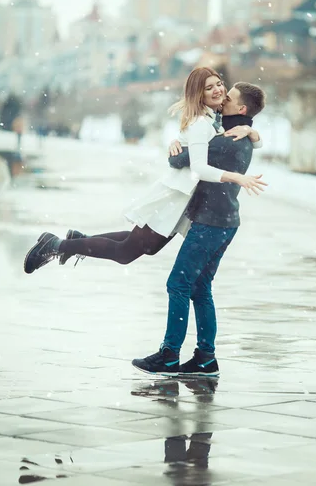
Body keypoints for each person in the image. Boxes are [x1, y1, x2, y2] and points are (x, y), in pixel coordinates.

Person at [23, 68, 265, 274]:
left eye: (220, 85)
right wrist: (234, 175)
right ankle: (57, 245)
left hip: (183, 198)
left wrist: (252, 133)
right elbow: (197, 163)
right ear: (198, 95)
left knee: (137, 244)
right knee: (127, 252)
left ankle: (76, 241)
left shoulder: (215, 118)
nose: (220, 92)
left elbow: (219, 142)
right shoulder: (204, 122)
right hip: (176, 196)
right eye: (209, 87)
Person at [131, 81, 266, 377]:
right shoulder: (238, 136)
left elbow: (179, 161)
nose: (222, 100)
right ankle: (205, 358)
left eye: (228, 98)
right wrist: (253, 132)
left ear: (240, 109)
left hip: (209, 224)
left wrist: (177, 147)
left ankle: (169, 355)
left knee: (177, 285)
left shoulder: (224, 140)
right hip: (226, 224)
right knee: (201, 289)